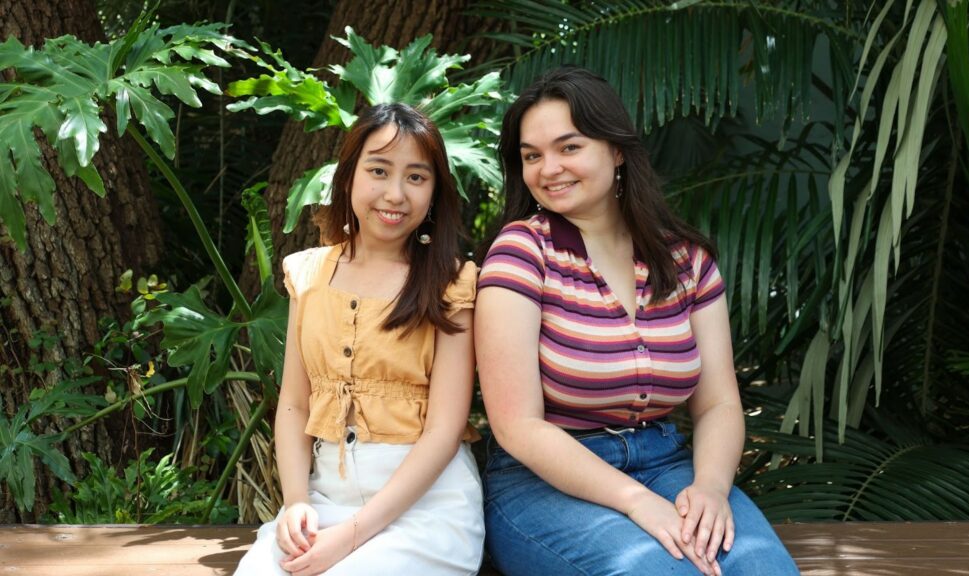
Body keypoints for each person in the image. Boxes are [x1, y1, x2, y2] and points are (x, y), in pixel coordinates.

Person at [475, 67, 798, 576]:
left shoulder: (685, 259)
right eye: (531, 155)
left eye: (569, 147)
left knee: (764, 571)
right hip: (542, 481)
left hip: (667, 463)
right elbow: (517, 426)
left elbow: (717, 402)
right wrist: (634, 500)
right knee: (657, 571)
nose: (548, 168)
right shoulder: (521, 253)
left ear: (617, 149)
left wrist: (711, 488)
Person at [235, 103, 484, 576]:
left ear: (435, 192)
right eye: (378, 170)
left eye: (416, 177)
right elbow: (294, 404)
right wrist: (295, 504)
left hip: (426, 511)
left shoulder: (452, 283)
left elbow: (444, 430)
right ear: (349, 176)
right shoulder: (308, 273)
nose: (395, 193)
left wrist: (351, 537)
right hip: (325, 504)